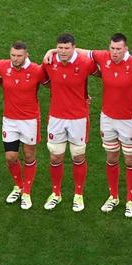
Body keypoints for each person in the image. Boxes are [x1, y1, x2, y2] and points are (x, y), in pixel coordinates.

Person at [89, 33, 132, 217]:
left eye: (119, 49)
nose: (115, 52)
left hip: (129, 121)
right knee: (111, 158)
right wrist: (52, 50)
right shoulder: (103, 57)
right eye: (112, 48)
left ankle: (131, 201)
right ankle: (113, 196)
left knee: (130, 160)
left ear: (126, 48)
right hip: (107, 119)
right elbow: (76, 52)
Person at [42, 33, 98, 211]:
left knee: (78, 156)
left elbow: (105, 73)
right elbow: (43, 80)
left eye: (67, 48)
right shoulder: (49, 62)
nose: (63, 51)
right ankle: (56, 194)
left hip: (78, 118)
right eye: (59, 48)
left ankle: (78, 195)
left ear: (74, 47)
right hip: (56, 117)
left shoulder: (85, 63)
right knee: (55, 156)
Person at [0, 41, 46, 209]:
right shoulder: (2, 65)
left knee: (29, 155)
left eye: (19, 56)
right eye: (13, 55)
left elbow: (56, 84)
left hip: (30, 120)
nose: (15, 59)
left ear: (26, 55)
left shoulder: (37, 70)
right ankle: (18, 186)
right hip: (10, 121)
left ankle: (26, 192)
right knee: (10, 157)